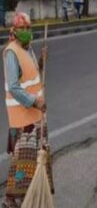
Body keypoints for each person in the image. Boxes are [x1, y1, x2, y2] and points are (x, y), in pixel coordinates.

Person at [1, 12, 54, 208]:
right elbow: (14, 87)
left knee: (37, 157)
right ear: (14, 31)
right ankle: (12, 199)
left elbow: (30, 75)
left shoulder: (28, 48)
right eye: (22, 29)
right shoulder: (11, 53)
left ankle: (33, 194)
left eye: (28, 28)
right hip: (23, 117)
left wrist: (40, 62)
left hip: (36, 113)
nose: (26, 32)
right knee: (23, 160)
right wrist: (34, 101)